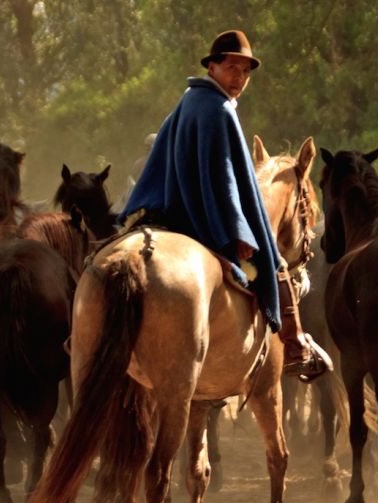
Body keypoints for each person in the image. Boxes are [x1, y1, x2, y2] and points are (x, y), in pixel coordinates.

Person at [120, 30, 331, 382]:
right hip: (203, 221)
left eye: (246, 72)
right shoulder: (218, 109)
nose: (240, 78)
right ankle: (293, 346)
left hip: (171, 210)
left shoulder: (189, 99)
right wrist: (238, 231)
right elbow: (226, 180)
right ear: (213, 67)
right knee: (275, 263)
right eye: (232, 68)